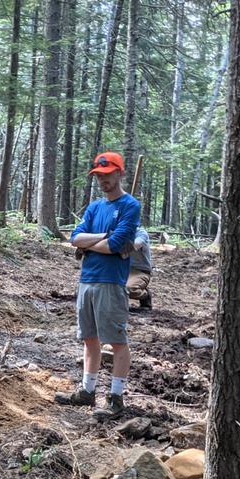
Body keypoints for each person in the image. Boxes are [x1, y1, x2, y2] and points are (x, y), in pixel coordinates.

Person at [54, 150, 141, 419]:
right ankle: (87, 391)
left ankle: (116, 398)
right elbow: (75, 238)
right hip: (87, 280)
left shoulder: (130, 206)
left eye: (107, 174)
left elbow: (117, 245)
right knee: (89, 339)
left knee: (116, 340)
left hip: (111, 283)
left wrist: (93, 243)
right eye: (99, 176)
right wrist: (103, 236)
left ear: (119, 173)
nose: (103, 180)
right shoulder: (94, 207)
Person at [127, 225, 152, 311]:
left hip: (140, 271)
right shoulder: (113, 231)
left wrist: (113, 243)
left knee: (129, 289)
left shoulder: (141, 233)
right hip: (122, 270)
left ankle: (145, 296)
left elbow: (136, 244)